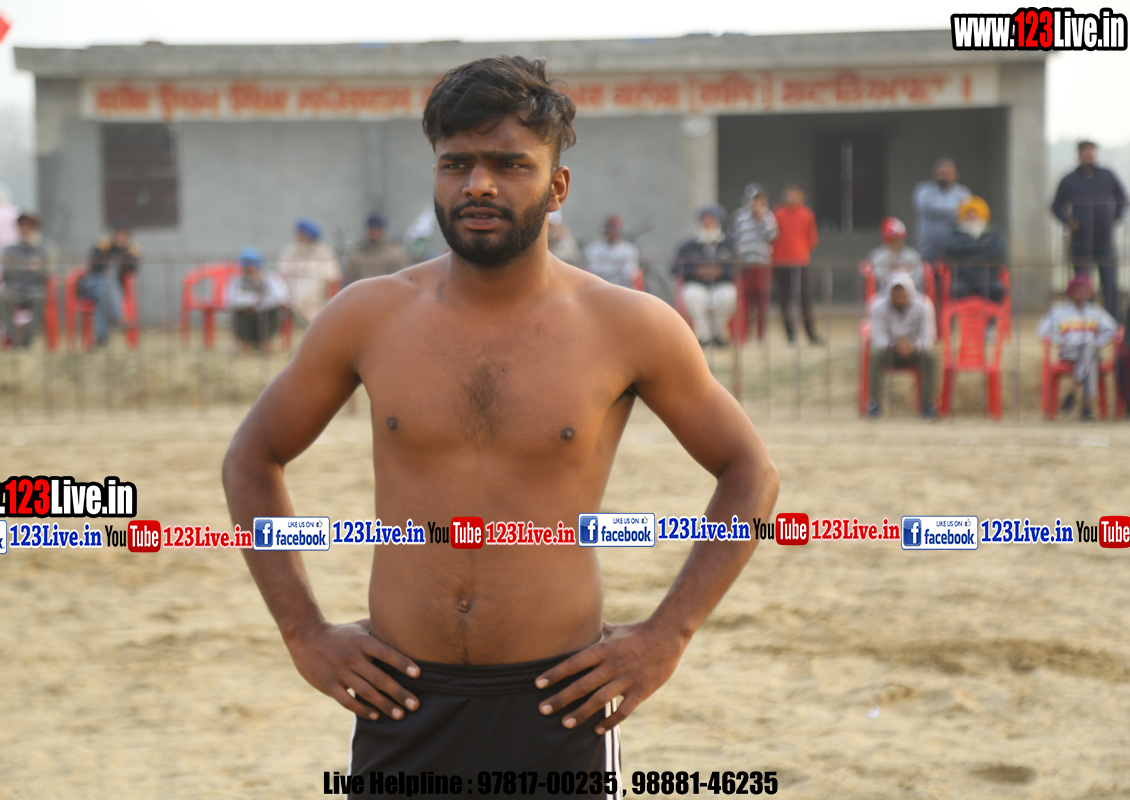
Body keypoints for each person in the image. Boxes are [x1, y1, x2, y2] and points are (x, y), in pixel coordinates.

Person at [223, 55, 778, 793]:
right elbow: (253, 457)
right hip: (402, 700)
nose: (478, 184)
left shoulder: (628, 325)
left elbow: (750, 472)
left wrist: (666, 635)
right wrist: (303, 631)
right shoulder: (367, 315)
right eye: (456, 163)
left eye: (510, 164)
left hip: (560, 702)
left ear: (557, 187)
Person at [1051, 141, 1127, 318]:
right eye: (1086, 153)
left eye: (1092, 153)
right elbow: (1056, 206)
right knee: (1083, 284)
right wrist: (1068, 221)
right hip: (1080, 239)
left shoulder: (1107, 176)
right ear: (1079, 155)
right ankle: (1086, 320)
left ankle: (1113, 319)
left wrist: (1115, 217)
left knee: (1109, 282)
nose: (1089, 157)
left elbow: (1122, 198)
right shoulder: (1069, 180)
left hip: (1104, 238)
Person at [1038, 274, 1119, 422]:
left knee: (1089, 346)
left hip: (1091, 351)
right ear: (1070, 293)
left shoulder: (1095, 311)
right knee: (1091, 356)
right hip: (1069, 352)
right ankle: (1087, 406)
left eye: (1085, 292)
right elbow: (1042, 330)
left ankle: (1074, 392)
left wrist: (1099, 342)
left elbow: (1113, 329)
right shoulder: (1059, 311)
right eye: (1078, 292)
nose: (1082, 296)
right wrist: (1061, 340)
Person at [868, 273, 937, 419]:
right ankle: (874, 404)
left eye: (903, 295)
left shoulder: (924, 305)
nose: (899, 299)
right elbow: (877, 337)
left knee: (931, 358)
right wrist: (893, 345)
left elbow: (929, 337)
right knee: (875, 355)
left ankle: (928, 404)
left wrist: (913, 345)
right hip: (889, 351)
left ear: (910, 293)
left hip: (915, 350)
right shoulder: (877, 306)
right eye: (896, 295)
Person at [673, 204, 737, 347]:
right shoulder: (688, 246)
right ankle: (703, 336)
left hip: (721, 284)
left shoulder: (729, 244)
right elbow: (676, 269)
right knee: (691, 295)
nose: (708, 226)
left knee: (729, 295)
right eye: (705, 222)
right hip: (697, 284)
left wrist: (721, 271)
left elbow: (739, 269)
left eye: (712, 222)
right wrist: (696, 271)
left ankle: (718, 334)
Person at [771, 184, 820, 344]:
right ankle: (790, 335)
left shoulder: (807, 214)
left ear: (802, 197)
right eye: (788, 195)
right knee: (784, 299)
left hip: (800, 261)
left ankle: (811, 334)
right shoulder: (777, 213)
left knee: (805, 298)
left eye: (794, 195)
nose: (790, 198)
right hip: (780, 262)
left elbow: (812, 239)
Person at [0, 214, 50, 348]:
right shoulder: (9, 250)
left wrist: (19, 269)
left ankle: (28, 339)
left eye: (29, 227)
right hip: (13, 289)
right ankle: (14, 337)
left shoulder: (44, 249)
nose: (25, 230)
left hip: (34, 290)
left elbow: (46, 272)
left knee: (40, 299)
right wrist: (30, 268)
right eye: (22, 226)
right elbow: (6, 270)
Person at [80, 220, 140, 346]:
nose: (121, 238)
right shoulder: (102, 246)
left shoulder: (129, 251)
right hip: (91, 285)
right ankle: (118, 317)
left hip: (108, 292)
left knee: (103, 296)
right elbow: (94, 269)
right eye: (119, 234)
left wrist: (125, 253)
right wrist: (107, 251)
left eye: (124, 235)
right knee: (105, 283)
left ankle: (101, 339)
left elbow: (132, 271)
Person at [730, 183, 777, 341]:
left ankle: (761, 335)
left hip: (762, 264)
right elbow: (734, 238)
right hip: (745, 265)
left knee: (762, 300)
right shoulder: (739, 216)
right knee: (745, 301)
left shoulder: (768, 217)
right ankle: (745, 334)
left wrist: (761, 218)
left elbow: (772, 236)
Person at [278, 219, 342, 325]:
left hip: (316, 299)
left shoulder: (324, 252)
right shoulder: (290, 251)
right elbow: (281, 274)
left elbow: (333, 278)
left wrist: (332, 304)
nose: (300, 236)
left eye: (303, 234)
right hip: (292, 296)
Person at [943, 196, 1006, 303]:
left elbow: (997, 252)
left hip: (988, 277)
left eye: (975, 214)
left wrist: (970, 255)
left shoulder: (993, 233)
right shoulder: (956, 234)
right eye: (968, 215)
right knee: (958, 291)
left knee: (996, 291)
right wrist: (981, 247)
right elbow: (951, 249)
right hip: (963, 278)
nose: (971, 217)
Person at [226, 247, 289, 352]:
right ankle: (246, 343)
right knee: (238, 313)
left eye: (253, 266)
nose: (250, 269)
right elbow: (231, 300)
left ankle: (266, 342)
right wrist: (254, 302)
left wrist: (259, 305)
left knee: (273, 311)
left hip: (265, 314)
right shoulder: (236, 281)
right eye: (246, 266)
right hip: (247, 315)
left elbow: (281, 297)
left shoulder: (270, 278)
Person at [912, 158, 971, 262]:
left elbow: (966, 215)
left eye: (947, 172)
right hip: (928, 251)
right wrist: (956, 211)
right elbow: (926, 208)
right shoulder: (924, 190)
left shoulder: (963, 193)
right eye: (940, 171)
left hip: (955, 253)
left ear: (956, 174)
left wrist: (940, 211)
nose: (943, 174)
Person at [345, 213, 411, 286]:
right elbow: (351, 281)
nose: (374, 233)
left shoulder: (394, 254)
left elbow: (403, 279)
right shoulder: (357, 256)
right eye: (372, 229)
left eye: (377, 229)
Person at [868, 217, 924, 295]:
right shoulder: (877, 257)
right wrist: (891, 259)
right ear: (887, 241)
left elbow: (919, 279)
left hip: (910, 295)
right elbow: (878, 281)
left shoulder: (912, 255)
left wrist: (903, 276)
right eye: (895, 241)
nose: (899, 244)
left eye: (901, 240)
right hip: (885, 296)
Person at [583, 215, 640, 289]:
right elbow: (593, 271)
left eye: (613, 232)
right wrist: (616, 269)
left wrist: (607, 269)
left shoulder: (630, 250)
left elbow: (629, 273)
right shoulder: (593, 249)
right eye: (608, 232)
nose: (610, 235)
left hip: (623, 288)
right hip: (600, 287)